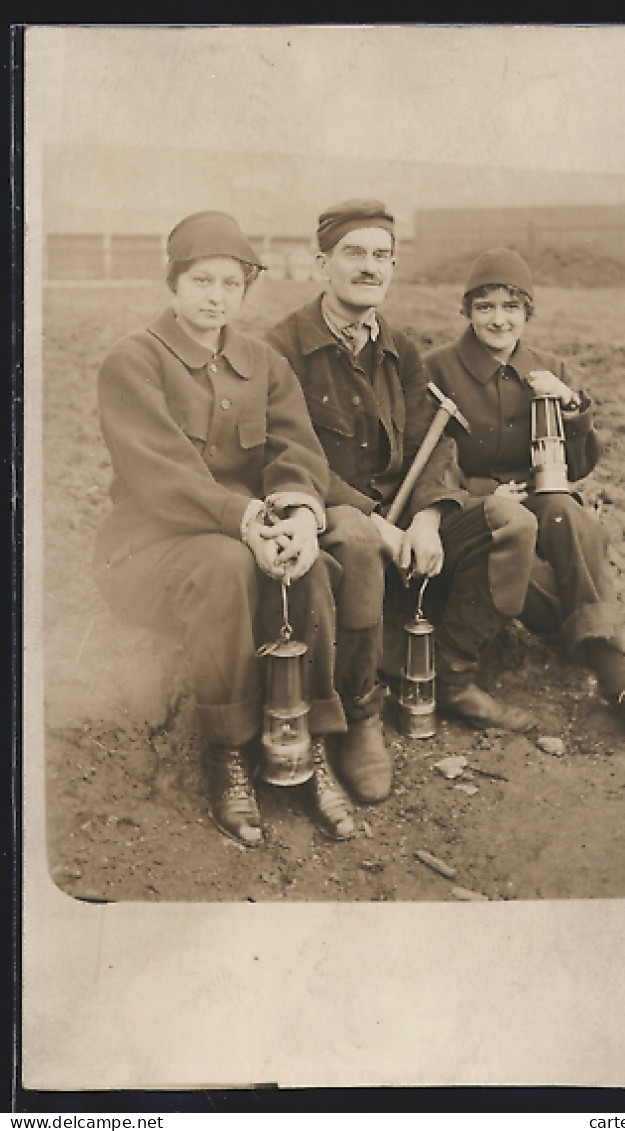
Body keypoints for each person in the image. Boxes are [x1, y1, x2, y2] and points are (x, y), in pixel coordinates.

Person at [93, 210, 357, 848]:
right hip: (150, 547)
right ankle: (229, 754)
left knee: (313, 565)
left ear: (245, 290)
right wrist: (246, 521)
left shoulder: (261, 363)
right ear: (173, 284)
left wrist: (295, 516)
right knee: (227, 565)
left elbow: (296, 449)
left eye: (231, 285)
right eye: (202, 281)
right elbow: (164, 477)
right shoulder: (133, 362)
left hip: (250, 531)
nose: (216, 297)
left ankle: (308, 744)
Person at [266, 200, 539, 807]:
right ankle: (361, 715)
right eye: (354, 254)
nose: (370, 267)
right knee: (360, 542)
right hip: (330, 514)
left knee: (510, 523)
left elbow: (431, 442)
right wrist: (373, 521)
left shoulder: (400, 348)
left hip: (401, 510)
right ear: (322, 263)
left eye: (381, 255)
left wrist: (427, 517)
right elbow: (292, 459)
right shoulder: (281, 348)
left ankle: (453, 673)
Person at [424, 248, 625, 743]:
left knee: (571, 516)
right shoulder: (437, 369)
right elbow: (426, 460)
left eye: (511, 307)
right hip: (470, 514)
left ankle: (613, 681)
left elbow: (575, 469)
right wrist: (486, 490)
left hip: (538, 505)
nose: (498, 318)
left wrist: (572, 408)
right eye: (485, 306)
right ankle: (610, 660)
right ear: (467, 311)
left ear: (527, 312)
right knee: (530, 565)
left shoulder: (548, 367)